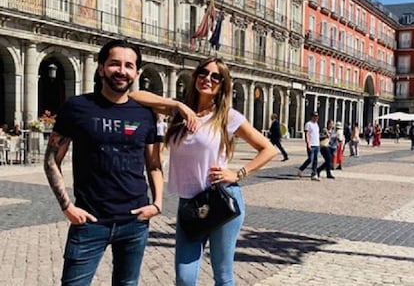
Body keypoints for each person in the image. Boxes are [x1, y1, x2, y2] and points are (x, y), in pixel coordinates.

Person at [43, 39, 196, 286]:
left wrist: (156, 204)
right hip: (90, 222)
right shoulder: (78, 107)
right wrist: (67, 206)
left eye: (128, 65)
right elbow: (51, 160)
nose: (122, 71)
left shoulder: (145, 114)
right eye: (114, 64)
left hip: (134, 222)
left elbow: (154, 164)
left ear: (136, 72)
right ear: (101, 68)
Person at [130, 57, 276, 286]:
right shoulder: (179, 113)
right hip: (189, 203)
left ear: (222, 85)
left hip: (220, 199)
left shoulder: (228, 116)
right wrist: (177, 105)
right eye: (203, 73)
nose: (207, 79)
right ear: (196, 76)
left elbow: (268, 149)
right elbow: (134, 97)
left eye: (215, 77)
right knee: (184, 278)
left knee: (223, 275)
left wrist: (238, 173)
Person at [298, 111, 320, 181]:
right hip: (311, 144)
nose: (316, 117)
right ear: (312, 117)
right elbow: (307, 134)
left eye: (317, 116)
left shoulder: (316, 124)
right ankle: (301, 169)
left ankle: (314, 174)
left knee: (315, 160)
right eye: (315, 116)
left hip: (317, 144)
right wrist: (308, 143)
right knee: (310, 159)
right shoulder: (308, 124)